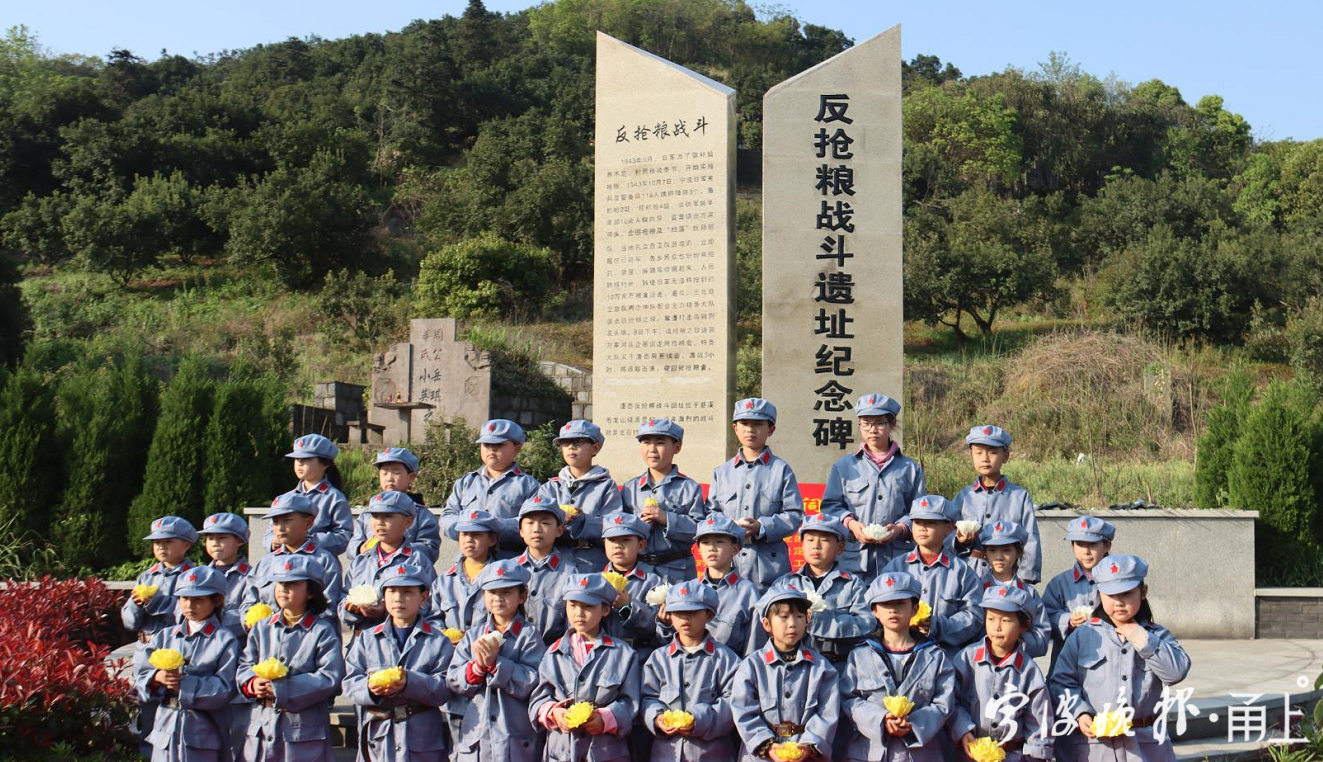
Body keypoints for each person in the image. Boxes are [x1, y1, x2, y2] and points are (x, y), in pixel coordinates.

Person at [1050, 555, 1191, 762]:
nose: (1119, 602)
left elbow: (1177, 671)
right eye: (1110, 594)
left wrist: (1142, 639)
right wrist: (1079, 713)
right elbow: (1060, 682)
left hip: (1145, 747)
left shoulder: (1157, 636)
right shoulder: (1083, 636)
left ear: (1143, 592)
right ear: (1099, 594)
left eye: (1126, 593)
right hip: (1095, 748)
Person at [237, 555, 345, 762]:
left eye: (292, 584)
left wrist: (283, 688)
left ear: (311, 591)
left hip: (303, 730)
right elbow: (245, 665)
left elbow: (330, 676)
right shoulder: (262, 627)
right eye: (280, 583)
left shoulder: (322, 631)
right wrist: (252, 683)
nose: (283, 589)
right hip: (262, 725)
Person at [344, 563, 455, 762]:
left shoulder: (438, 641)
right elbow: (350, 682)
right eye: (391, 591)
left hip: (421, 737)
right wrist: (369, 688)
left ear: (423, 597)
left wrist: (409, 682)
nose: (398, 599)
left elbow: (445, 688)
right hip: (379, 737)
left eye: (407, 592)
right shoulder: (368, 639)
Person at [839, 571, 954, 762]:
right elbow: (848, 699)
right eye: (885, 605)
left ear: (915, 609)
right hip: (869, 753)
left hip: (920, 754)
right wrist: (880, 719)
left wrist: (914, 724)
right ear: (874, 611)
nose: (893, 610)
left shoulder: (934, 656)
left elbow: (944, 703)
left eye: (900, 603)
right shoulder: (860, 655)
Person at [530, 573, 642, 762]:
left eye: (588, 606)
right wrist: (554, 712)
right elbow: (538, 699)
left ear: (605, 610)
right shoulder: (554, 652)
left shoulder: (623, 654)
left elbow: (631, 702)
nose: (578, 614)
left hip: (605, 751)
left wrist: (606, 718)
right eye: (572, 605)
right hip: (561, 750)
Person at [133, 566, 241, 762]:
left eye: (198, 599)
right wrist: (156, 678)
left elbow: (226, 687)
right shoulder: (165, 636)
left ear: (216, 600)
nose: (189, 605)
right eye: (184, 598)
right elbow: (140, 679)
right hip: (165, 730)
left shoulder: (225, 640)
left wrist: (184, 685)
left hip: (202, 733)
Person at [446, 559, 548, 762]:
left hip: (515, 735)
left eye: (506, 593)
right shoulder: (473, 635)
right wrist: (477, 667)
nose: (498, 599)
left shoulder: (529, 636)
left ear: (522, 596)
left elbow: (534, 680)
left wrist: (496, 664)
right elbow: (454, 680)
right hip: (478, 736)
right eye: (492, 593)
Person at [820, 393, 926, 579]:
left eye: (879, 423)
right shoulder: (844, 467)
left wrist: (900, 528)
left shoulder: (910, 468)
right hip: (854, 560)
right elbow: (831, 507)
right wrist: (851, 524)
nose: (872, 430)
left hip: (898, 560)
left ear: (891, 424)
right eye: (866, 423)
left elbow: (919, 512)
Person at [731, 581, 839, 761]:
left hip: (805, 754)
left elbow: (827, 711)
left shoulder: (821, 668)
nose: (792, 624)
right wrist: (767, 745)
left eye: (798, 616)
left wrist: (809, 745)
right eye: (783, 617)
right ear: (766, 624)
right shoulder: (752, 666)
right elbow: (743, 711)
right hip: (762, 756)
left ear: (807, 620)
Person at [707, 398, 805, 591]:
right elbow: (711, 512)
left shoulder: (781, 469)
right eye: (744, 424)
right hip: (729, 562)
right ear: (735, 428)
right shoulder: (722, 472)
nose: (750, 430)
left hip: (770, 566)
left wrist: (761, 526)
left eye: (758, 424)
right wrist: (728, 527)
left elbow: (794, 515)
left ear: (771, 430)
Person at [123, 515, 200, 756]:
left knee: (177, 709)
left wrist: (157, 603)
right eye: (157, 543)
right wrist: (137, 605)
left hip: (178, 652)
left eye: (168, 542)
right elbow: (128, 620)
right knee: (148, 708)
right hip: (147, 650)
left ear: (186, 544)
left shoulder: (196, 576)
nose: (161, 547)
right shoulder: (147, 575)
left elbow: (192, 614)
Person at [949, 584, 1053, 762]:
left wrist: (1036, 756)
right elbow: (951, 701)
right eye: (991, 619)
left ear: (1023, 626)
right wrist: (962, 729)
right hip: (969, 754)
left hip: (1012, 755)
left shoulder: (1029, 671)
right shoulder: (966, 659)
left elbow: (1039, 721)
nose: (997, 627)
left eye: (1005, 621)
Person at [641, 580, 741, 761]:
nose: (685, 619)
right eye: (679, 613)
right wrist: (657, 718)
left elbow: (732, 703)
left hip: (711, 754)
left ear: (709, 615)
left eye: (693, 612)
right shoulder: (658, 659)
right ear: (669, 615)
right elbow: (648, 697)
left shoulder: (726, 659)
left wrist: (699, 720)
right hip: (666, 754)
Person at [882, 496, 984, 653]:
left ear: (948, 529)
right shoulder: (895, 568)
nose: (922, 528)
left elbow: (974, 616)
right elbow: (878, 607)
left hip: (945, 658)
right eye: (917, 522)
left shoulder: (962, 572)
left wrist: (938, 626)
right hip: (900, 654)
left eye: (930, 523)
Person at [775, 513, 874, 665]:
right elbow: (765, 615)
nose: (816, 546)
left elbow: (867, 624)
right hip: (795, 667)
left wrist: (820, 620)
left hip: (840, 668)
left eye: (825, 540)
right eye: (810, 540)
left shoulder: (853, 584)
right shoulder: (786, 583)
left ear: (840, 548)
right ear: (801, 544)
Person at [951, 426, 1043, 583]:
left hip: (1006, 578)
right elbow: (946, 535)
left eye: (993, 452)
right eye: (978, 453)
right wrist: (959, 541)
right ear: (971, 455)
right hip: (968, 575)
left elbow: (1031, 539)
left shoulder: (1019, 497)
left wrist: (1024, 580)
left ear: (1005, 456)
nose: (985, 458)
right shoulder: (964, 497)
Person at [620, 418, 706, 584]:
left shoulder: (689, 488)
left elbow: (699, 529)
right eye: (646, 443)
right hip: (639, 571)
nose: (652, 449)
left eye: (660, 443)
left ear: (677, 447)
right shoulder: (631, 488)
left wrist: (666, 518)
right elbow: (619, 527)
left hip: (678, 571)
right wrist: (639, 524)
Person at [533, 419, 624, 572]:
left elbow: (615, 526)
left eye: (579, 442)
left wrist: (583, 521)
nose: (571, 447)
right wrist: (557, 520)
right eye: (565, 443)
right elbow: (535, 522)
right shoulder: (550, 487)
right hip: (554, 564)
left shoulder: (606, 487)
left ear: (595, 448)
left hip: (593, 563)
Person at [240, 493, 342, 627]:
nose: (280, 528)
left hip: (311, 639)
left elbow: (329, 608)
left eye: (287, 520)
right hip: (268, 640)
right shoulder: (265, 563)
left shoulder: (324, 561)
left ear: (308, 522)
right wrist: (252, 623)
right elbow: (248, 603)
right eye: (275, 522)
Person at [340, 491, 436, 634]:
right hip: (362, 644)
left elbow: (430, 605)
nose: (380, 522)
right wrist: (353, 611)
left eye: (388, 516)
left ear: (408, 522)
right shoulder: (361, 561)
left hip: (402, 641)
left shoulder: (418, 561)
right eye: (375, 516)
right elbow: (343, 599)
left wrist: (385, 611)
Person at [441, 419, 542, 553]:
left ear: (516, 449)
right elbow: (447, 517)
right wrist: (470, 527)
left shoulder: (529, 485)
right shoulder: (466, 482)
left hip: (508, 562)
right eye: (486, 444)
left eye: (499, 444)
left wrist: (492, 527)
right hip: (468, 560)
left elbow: (533, 524)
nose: (491, 449)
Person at [1042, 516, 1116, 670]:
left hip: (1108, 664)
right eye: (1080, 544)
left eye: (1092, 544)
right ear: (1072, 546)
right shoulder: (1059, 583)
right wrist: (1068, 621)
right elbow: (1044, 617)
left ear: (1107, 545)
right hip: (1066, 665)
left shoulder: (1118, 582)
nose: (1086, 552)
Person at [968, 521, 1051, 658]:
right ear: (985, 553)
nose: (999, 557)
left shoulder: (1029, 593)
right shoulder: (975, 589)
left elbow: (1042, 637)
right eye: (992, 550)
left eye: (1006, 550)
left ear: (1018, 552)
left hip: (1018, 666)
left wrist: (1016, 642)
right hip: (979, 663)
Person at [686, 514, 764, 656]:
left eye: (719, 542)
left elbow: (754, 644)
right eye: (705, 542)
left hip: (732, 670)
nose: (712, 548)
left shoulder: (747, 591)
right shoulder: (690, 589)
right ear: (698, 549)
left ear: (735, 549)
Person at [347, 446, 442, 564]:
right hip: (370, 572)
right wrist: (360, 548)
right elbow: (352, 546)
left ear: (411, 477)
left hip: (406, 574)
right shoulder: (367, 514)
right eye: (385, 473)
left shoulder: (422, 516)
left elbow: (430, 551)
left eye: (396, 472)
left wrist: (395, 548)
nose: (389, 478)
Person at [263, 434, 352, 555]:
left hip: (317, 564)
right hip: (283, 564)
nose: (299, 463)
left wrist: (307, 541)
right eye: (297, 459)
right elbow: (269, 531)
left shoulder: (334, 498)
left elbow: (344, 536)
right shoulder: (284, 499)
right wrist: (272, 542)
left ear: (324, 464)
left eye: (306, 459)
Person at [598, 511, 667, 662]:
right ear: (604, 544)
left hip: (640, 657)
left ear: (641, 545)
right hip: (602, 657)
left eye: (626, 540)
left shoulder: (653, 582)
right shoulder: (596, 580)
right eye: (611, 540)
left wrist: (627, 607)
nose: (618, 546)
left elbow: (658, 624)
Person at [511, 497, 573, 643]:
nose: (536, 529)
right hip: (512, 650)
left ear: (559, 530)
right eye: (530, 523)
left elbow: (572, 624)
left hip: (552, 653)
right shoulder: (508, 569)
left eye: (545, 523)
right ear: (521, 531)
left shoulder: (570, 572)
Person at [198, 512, 252, 642]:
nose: (215, 543)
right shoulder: (199, 575)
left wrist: (210, 618)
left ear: (239, 541)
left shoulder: (251, 576)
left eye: (222, 538)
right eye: (210, 538)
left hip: (237, 645)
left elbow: (249, 615)